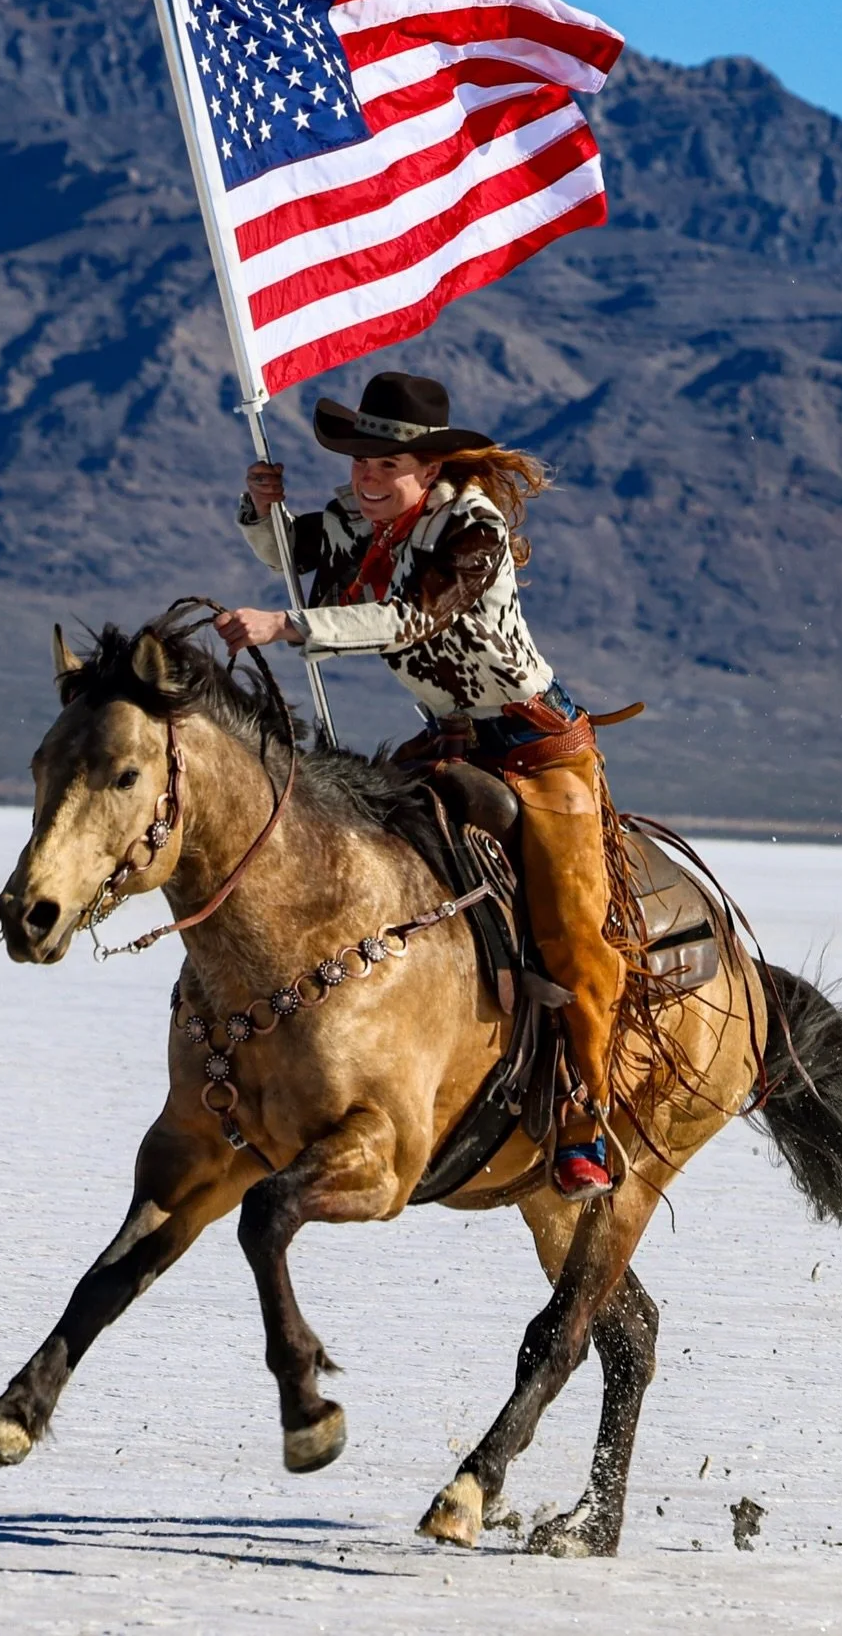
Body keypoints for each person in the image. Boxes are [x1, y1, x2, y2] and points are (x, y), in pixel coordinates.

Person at [214, 372, 627, 1202]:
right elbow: (296, 557)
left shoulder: (473, 530)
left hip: (537, 746)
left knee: (574, 936)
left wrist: (284, 627)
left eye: (385, 466)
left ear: (428, 467)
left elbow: (411, 617)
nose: (367, 478)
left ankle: (587, 1120)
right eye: (360, 462)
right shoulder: (350, 518)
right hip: (446, 741)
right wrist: (263, 512)